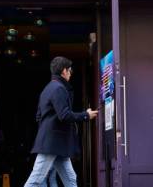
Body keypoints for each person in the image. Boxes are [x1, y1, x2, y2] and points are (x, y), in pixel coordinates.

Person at [24, 56, 98, 187]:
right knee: (35, 180)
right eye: (70, 70)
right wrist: (85, 115)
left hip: (56, 143)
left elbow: (38, 116)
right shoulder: (59, 88)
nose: (70, 73)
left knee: (70, 178)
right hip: (52, 144)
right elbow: (64, 115)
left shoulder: (48, 89)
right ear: (64, 71)